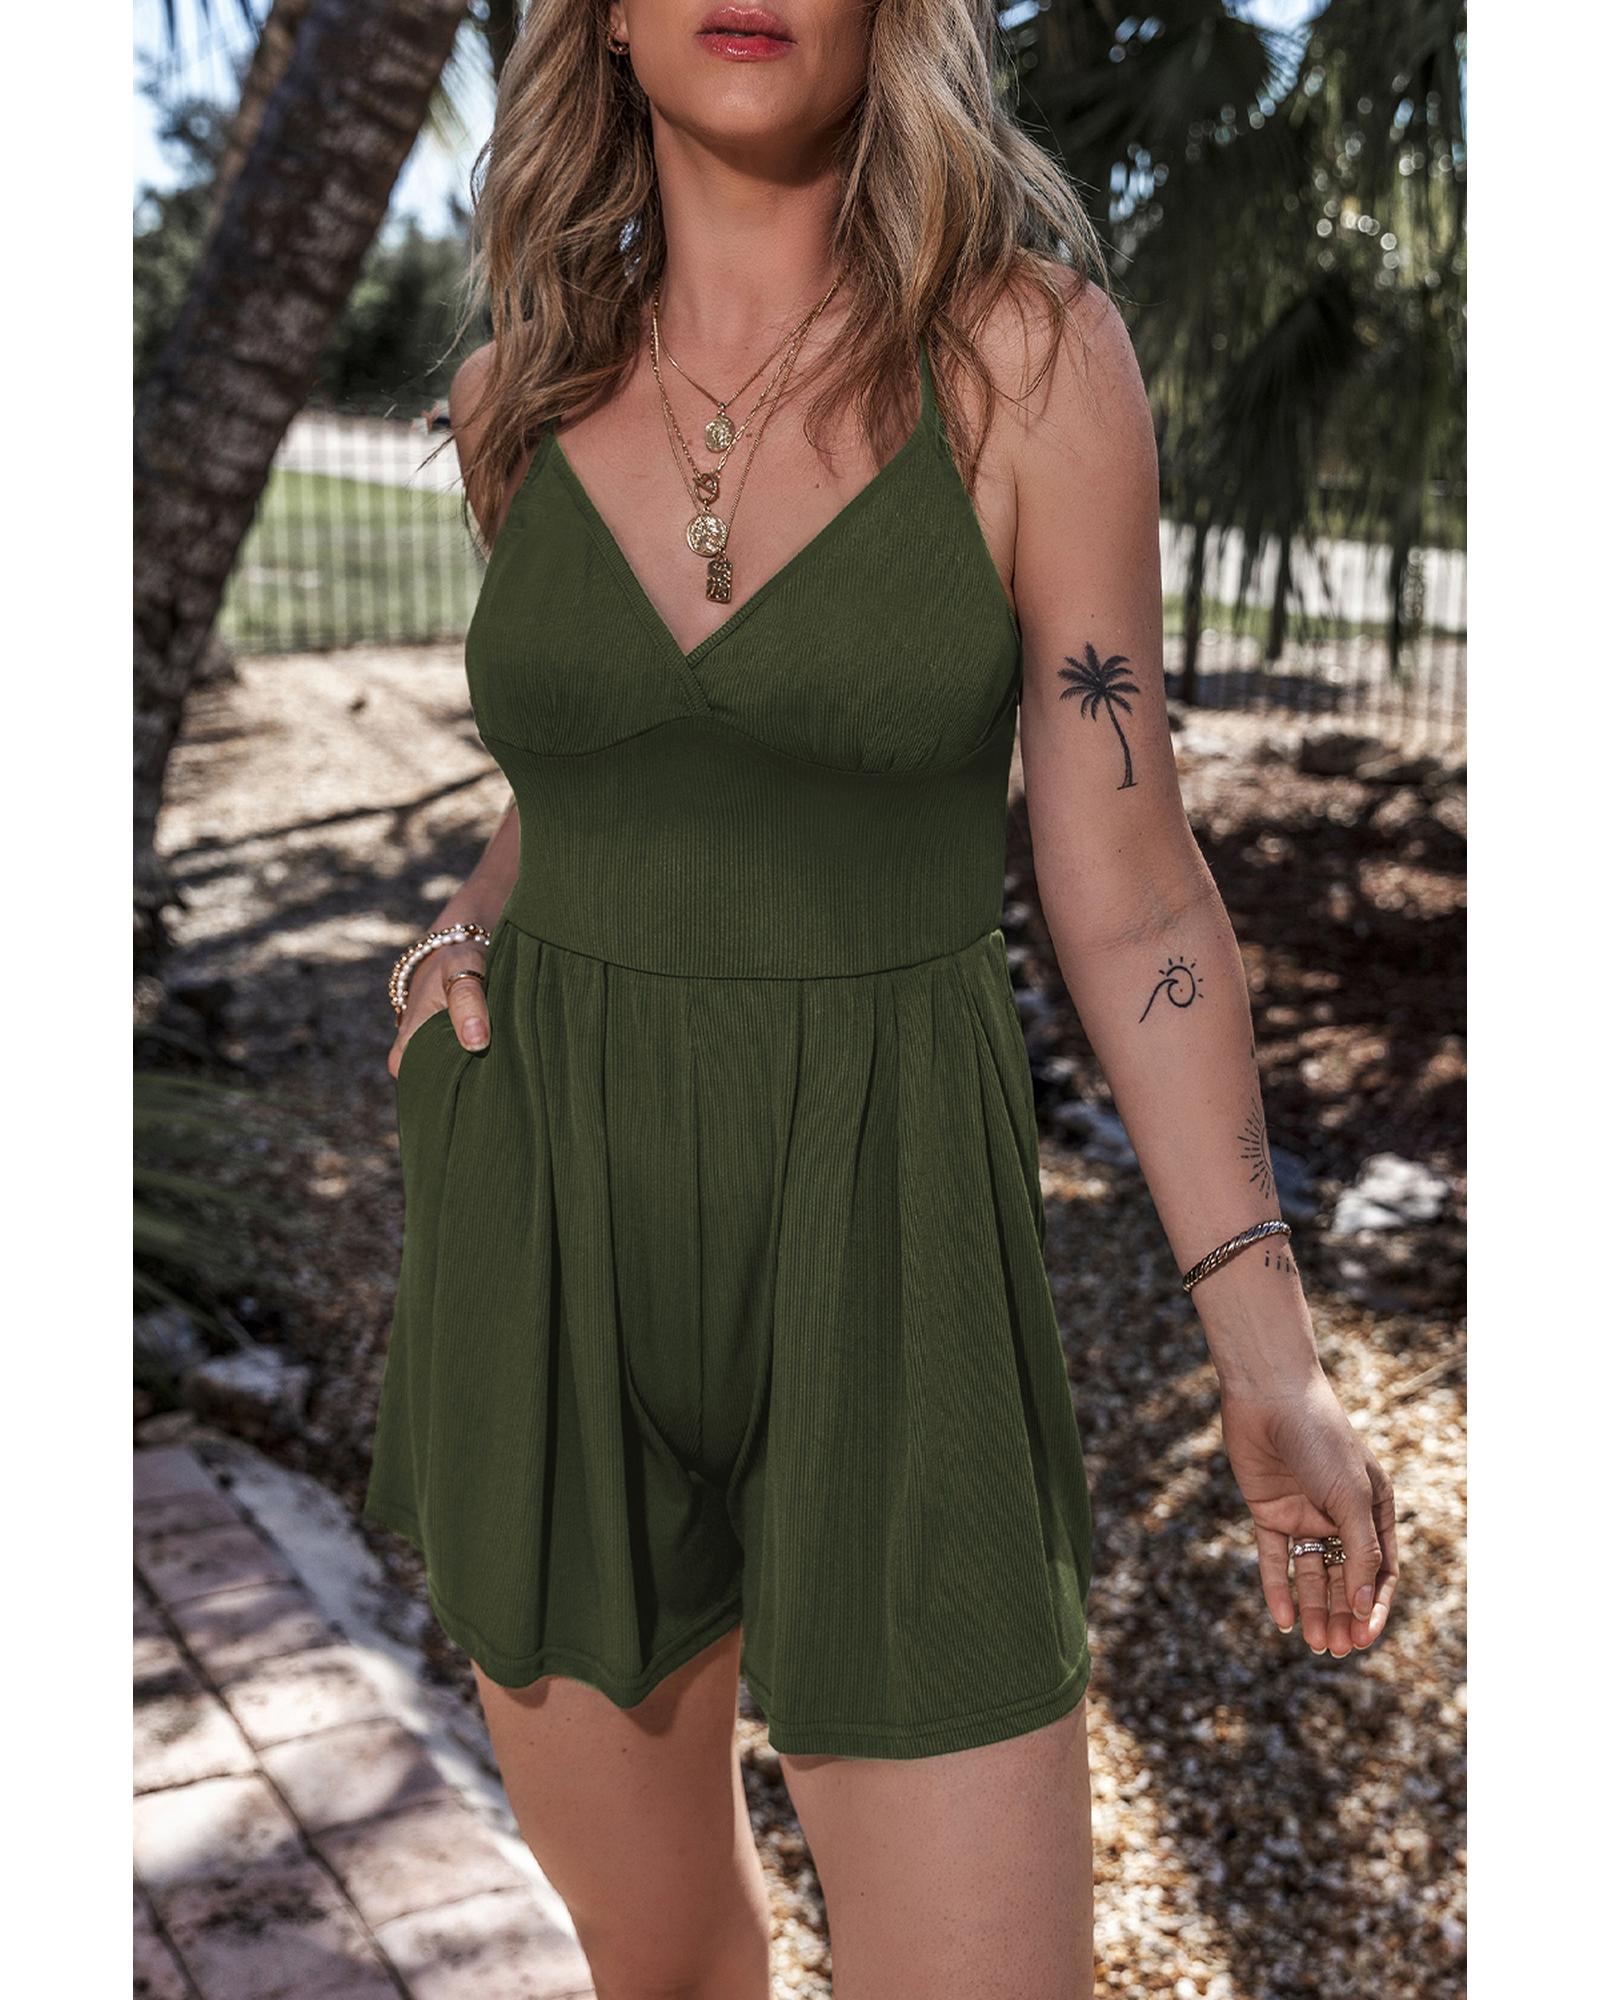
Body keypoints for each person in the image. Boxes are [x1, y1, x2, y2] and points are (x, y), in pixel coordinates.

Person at [363, 5, 1401, 1994]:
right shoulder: (519, 391)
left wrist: (1265, 1355)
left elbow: (1132, 886)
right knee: (663, 1967)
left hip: (894, 1238)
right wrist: (454, 937)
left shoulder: (1025, 363)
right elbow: (585, 774)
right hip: (549, 1233)